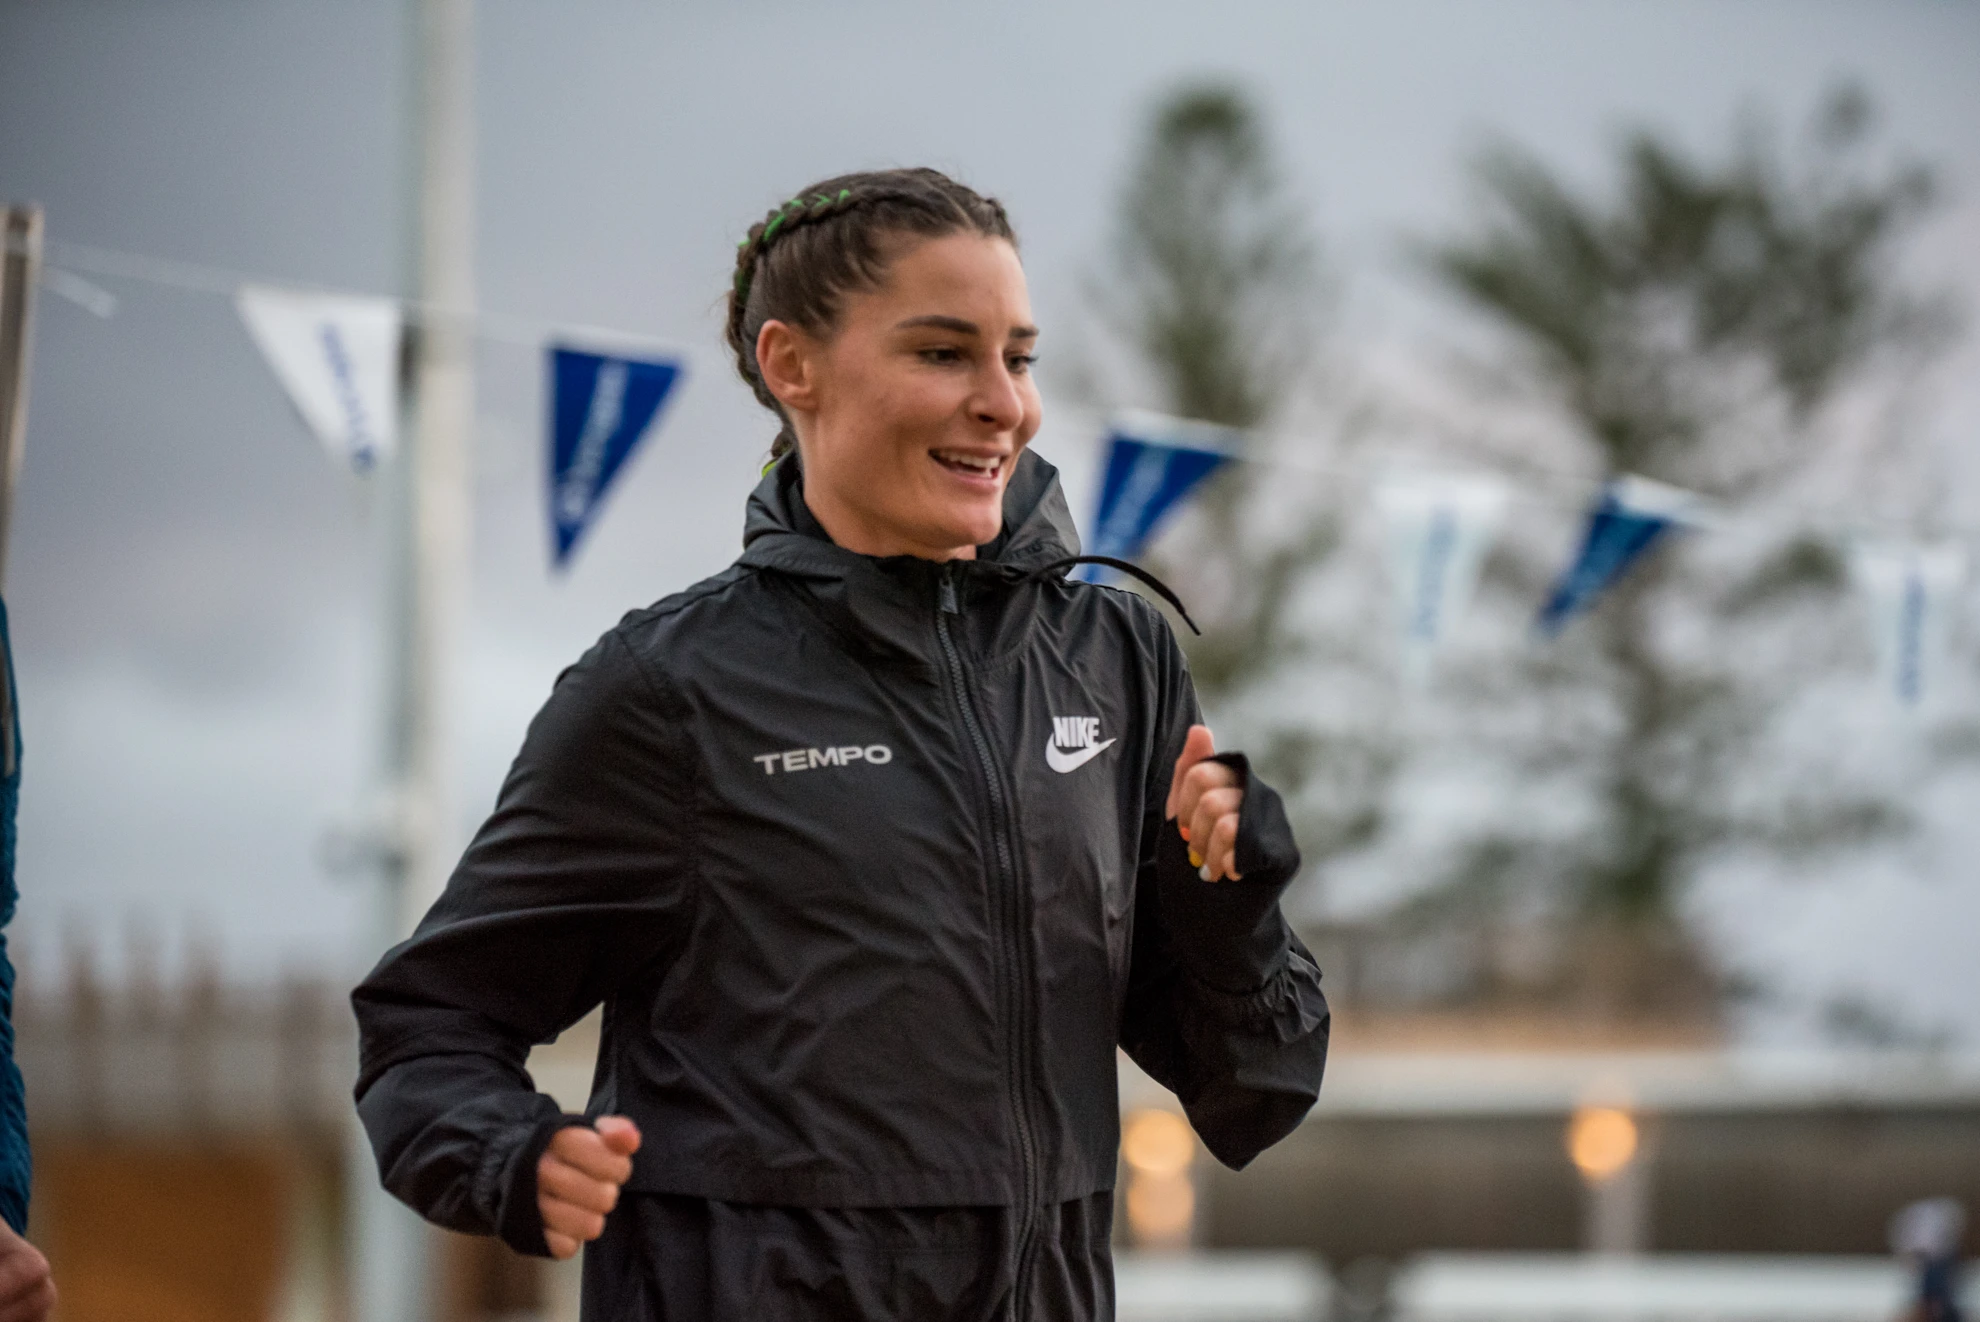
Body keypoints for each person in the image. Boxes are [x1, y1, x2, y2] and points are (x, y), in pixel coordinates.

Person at [352, 166, 1328, 1321]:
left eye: (1019, 358)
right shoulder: (670, 687)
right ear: (793, 365)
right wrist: (506, 1152)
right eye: (943, 352)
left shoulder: (1117, 658)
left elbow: (1251, 1091)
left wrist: (1231, 902)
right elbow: (429, 1024)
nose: (1004, 404)